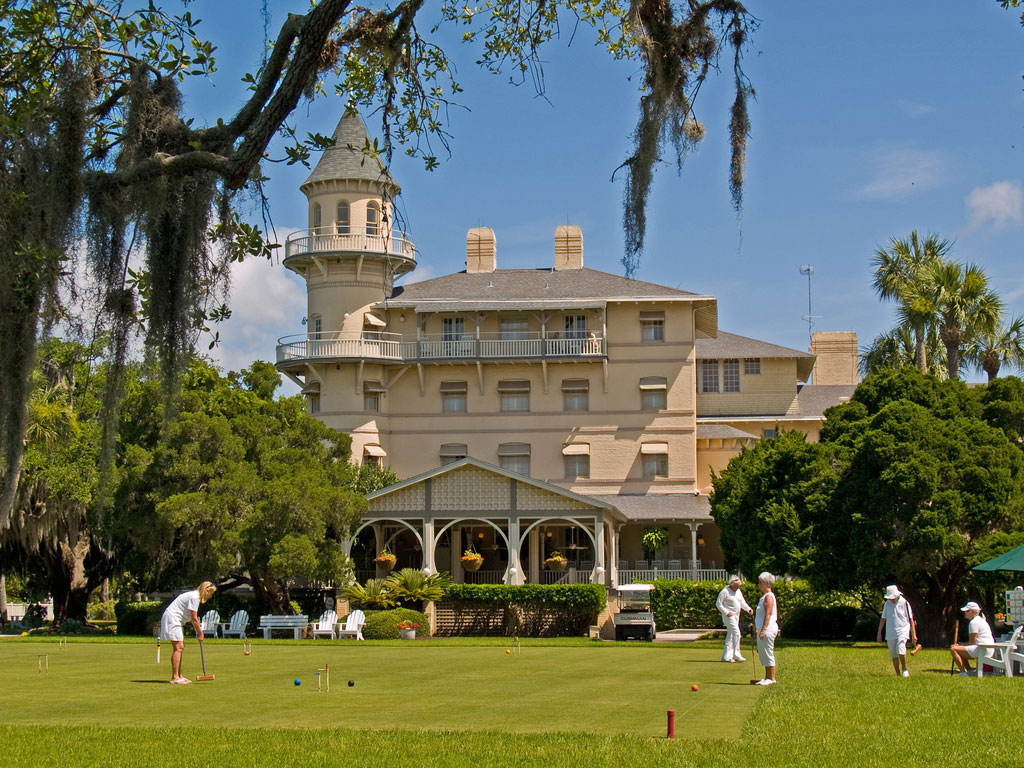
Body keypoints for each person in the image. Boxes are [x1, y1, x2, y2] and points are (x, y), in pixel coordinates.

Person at [160, 581, 217, 684]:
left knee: (179, 647)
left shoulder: (194, 596)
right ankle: (175, 677)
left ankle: (179, 675)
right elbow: (194, 618)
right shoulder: (194, 597)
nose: (210, 596)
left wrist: (198, 631)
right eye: (210, 593)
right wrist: (200, 633)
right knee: (178, 647)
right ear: (206, 591)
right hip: (172, 619)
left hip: (175, 619)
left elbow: (192, 618)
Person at [876, 584, 918, 677]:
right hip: (891, 631)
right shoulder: (887, 604)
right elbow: (883, 618)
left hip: (903, 630)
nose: (891, 599)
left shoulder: (905, 603)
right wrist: (879, 633)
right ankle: (898, 674)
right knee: (893, 654)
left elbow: (911, 619)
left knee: (901, 649)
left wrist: (913, 634)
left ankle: (904, 668)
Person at [950, 601, 995, 676]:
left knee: (953, 649)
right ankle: (969, 671)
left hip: (982, 650)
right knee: (959, 649)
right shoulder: (981, 620)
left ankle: (963, 673)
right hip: (987, 649)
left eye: (967, 611)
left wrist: (959, 645)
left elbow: (971, 642)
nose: (965, 613)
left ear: (973, 612)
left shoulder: (973, 622)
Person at [716, 575, 753, 662]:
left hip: (736, 616)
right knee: (737, 634)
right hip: (728, 617)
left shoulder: (738, 591)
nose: (737, 588)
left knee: (731, 636)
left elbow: (742, 602)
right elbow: (718, 604)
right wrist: (726, 612)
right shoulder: (725, 591)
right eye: (736, 586)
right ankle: (736, 654)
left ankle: (726, 657)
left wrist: (748, 609)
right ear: (732, 584)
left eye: (738, 586)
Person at [754, 572, 779, 685]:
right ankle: (766, 677)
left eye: (761, 582)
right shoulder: (764, 597)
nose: (759, 584)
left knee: (768, 652)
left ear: (767, 583)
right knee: (763, 653)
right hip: (762, 629)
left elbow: (768, 614)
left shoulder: (769, 596)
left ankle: (771, 678)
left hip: (768, 629)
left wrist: (763, 629)